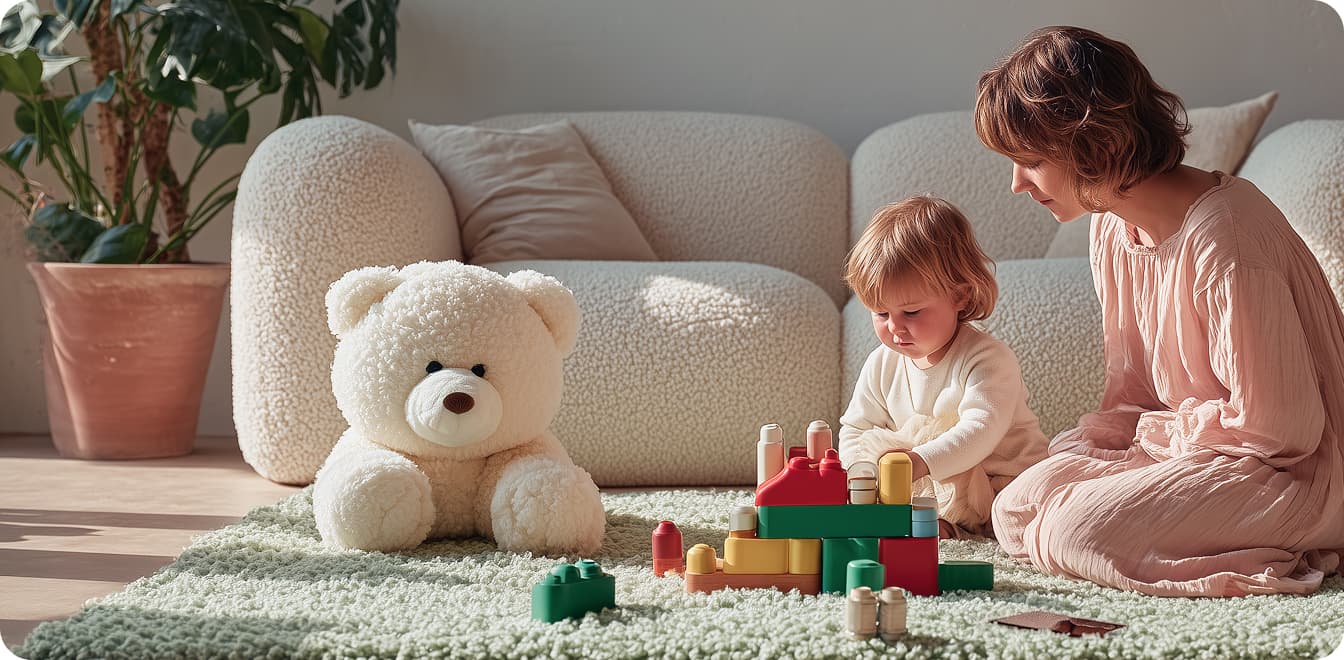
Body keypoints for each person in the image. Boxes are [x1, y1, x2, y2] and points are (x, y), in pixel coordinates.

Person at [976, 25, 1344, 596]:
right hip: (1202, 449)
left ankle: (1282, 546)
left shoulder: (1228, 240)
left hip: (1288, 472)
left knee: (1078, 529)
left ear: (1091, 141)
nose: (1017, 184)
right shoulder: (1113, 228)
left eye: (1029, 160)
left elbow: (1282, 430)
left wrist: (1149, 444)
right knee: (1018, 507)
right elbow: (1137, 398)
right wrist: (1109, 450)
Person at [838, 195, 1048, 539]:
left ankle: (965, 526)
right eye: (881, 313)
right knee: (878, 462)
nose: (894, 327)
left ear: (960, 296)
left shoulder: (987, 358)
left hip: (1002, 484)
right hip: (931, 484)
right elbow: (856, 427)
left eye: (911, 312)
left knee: (1020, 512)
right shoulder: (882, 362)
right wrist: (858, 473)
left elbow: (979, 432)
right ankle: (943, 525)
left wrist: (917, 463)